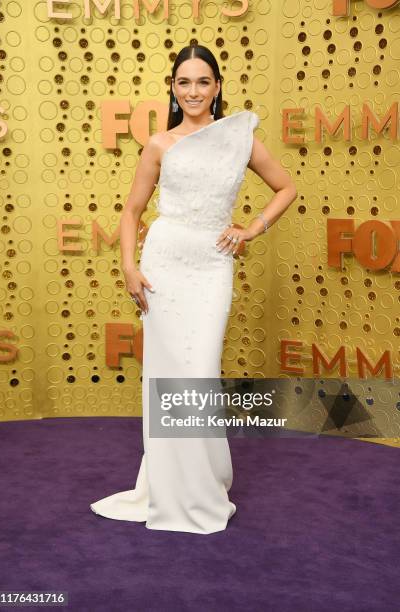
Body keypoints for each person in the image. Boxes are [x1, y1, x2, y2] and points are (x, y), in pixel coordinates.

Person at [90, 44, 297, 534]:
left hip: (211, 265)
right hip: (163, 263)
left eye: (203, 82)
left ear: (218, 87)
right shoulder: (160, 144)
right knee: (168, 376)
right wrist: (128, 266)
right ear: (174, 89)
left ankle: (200, 484)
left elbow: (286, 188)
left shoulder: (240, 137)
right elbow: (132, 212)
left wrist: (252, 229)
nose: (194, 91)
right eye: (185, 82)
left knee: (198, 371)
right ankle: (173, 486)